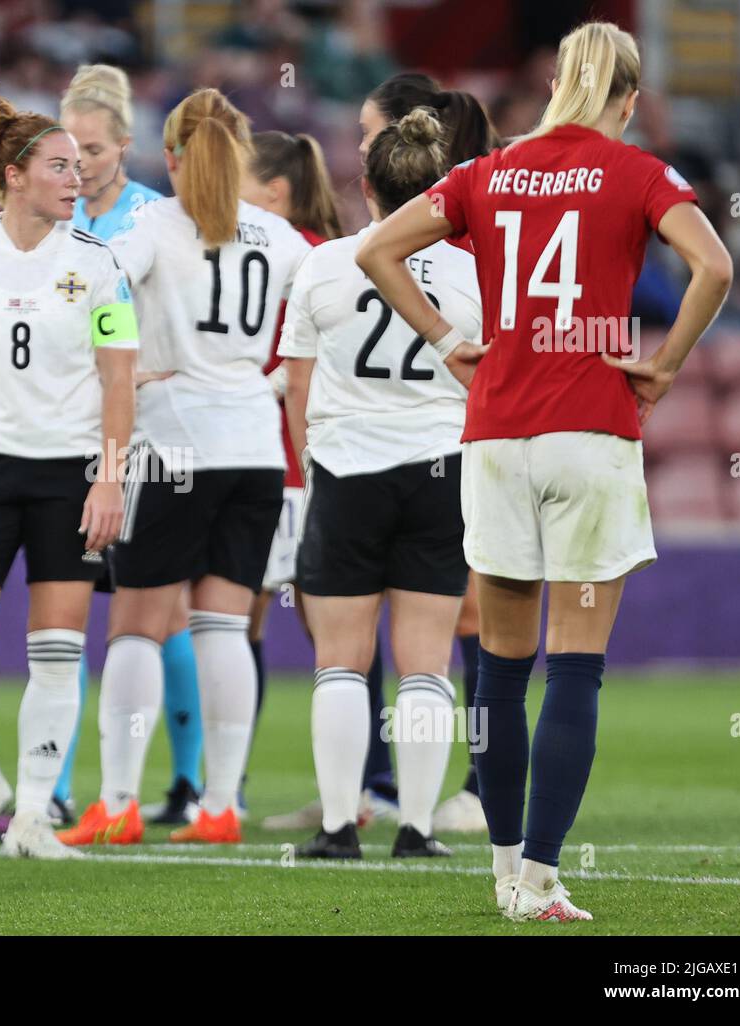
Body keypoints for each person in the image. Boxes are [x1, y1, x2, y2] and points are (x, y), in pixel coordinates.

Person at [358, 21, 731, 919]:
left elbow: (377, 250)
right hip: (590, 433)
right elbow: (713, 266)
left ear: (556, 82)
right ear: (628, 99)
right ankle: (542, 878)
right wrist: (669, 362)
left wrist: (451, 343)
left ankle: (501, 870)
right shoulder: (637, 171)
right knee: (577, 669)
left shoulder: (489, 172)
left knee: (499, 668)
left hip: (494, 436)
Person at [58, 88, 311, 848]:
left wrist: (125, 367)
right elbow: (325, 303)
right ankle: (220, 807)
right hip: (257, 448)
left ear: (168, 156)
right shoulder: (279, 235)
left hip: (172, 446)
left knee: (135, 626)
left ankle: (118, 803)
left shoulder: (152, 225)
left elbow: (93, 294)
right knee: (224, 625)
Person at [265, 71, 501, 834]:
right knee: (427, 662)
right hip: (441, 472)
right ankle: (420, 829)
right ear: (442, 190)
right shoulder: (474, 270)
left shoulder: (327, 263)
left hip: (347, 471)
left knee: (340, 659)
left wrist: (313, 460)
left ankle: (339, 829)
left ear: (364, 183)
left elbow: (295, 385)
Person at [0, 92, 137, 860]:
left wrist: (108, 480)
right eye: (60, 166)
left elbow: (119, 381)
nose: (77, 179)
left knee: (56, 652)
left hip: (70, 476)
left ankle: (35, 816)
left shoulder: (99, 264)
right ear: (14, 175)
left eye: (80, 166)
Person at [51, 63, 189, 827]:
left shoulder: (151, 219)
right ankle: (64, 783)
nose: (81, 166)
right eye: (67, 153)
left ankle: (190, 780)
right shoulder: (50, 219)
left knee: (158, 611)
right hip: (63, 429)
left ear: (125, 148)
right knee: (64, 603)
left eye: (93, 151)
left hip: (137, 435)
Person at [237, 129, 342, 812]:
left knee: (323, 622)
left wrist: (255, 381)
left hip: (293, 464)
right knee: (242, 617)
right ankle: (227, 786)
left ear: (274, 192)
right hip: (263, 460)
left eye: (241, 182)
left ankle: (367, 786)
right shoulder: (273, 250)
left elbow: (312, 359)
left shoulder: (304, 255)